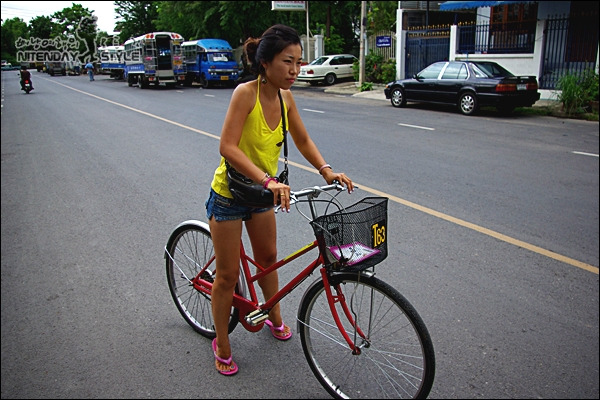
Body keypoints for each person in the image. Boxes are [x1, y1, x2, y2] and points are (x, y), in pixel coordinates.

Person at [205, 24, 354, 376]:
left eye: (299, 63)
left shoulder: (287, 98)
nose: (295, 70)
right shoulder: (245, 94)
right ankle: (222, 343)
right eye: (288, 62)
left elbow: (301, 138)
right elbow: (227, 147)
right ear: (266, 62)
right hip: (230, 195)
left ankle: (274, 316)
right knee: (226, 276)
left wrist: (325, 169)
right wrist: (267, 179)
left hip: (262, 194)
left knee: (268, 258)